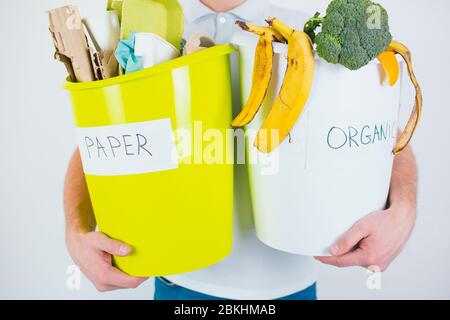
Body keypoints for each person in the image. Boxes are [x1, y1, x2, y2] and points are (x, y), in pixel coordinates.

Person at [64, 0, 418, 300]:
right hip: (179, 285)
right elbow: (100, 141)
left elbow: (383, 135)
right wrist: (76, 232)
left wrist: (403, 210)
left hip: (288, 288)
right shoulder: (151, 27)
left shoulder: (304, 25)